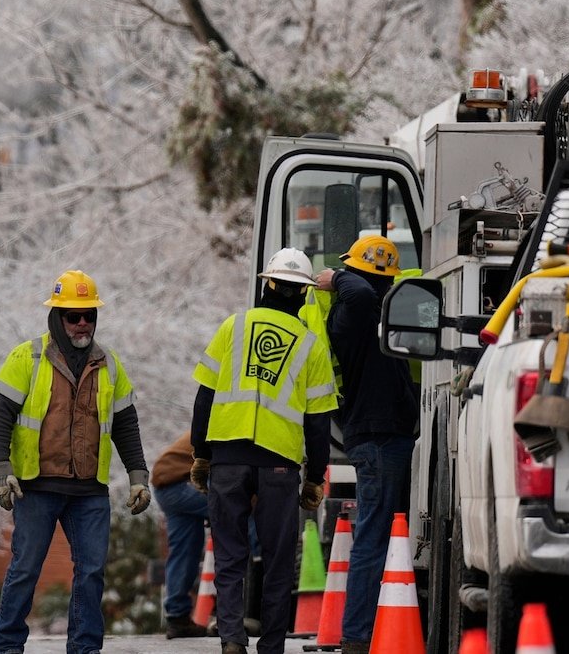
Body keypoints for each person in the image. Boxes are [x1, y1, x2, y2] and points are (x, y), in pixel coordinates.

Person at [0, 269, 151, 654]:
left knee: (92, 572)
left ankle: (84, 648)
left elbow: (126, 424)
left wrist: (139, 476)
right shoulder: (26, 357)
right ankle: (7, 646)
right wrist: (0, 471)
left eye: (89, 314)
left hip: (89, 490)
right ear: (55, 318)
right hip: (37, 486)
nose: (82, 323)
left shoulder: (109, 364)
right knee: (25, 570)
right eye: (72, 315)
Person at [190, 248, 339, 654]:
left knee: (229, 553)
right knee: (276, 559)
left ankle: (233, 638)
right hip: (278, 464)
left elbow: (204, 398)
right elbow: (318, 422)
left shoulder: (232, 327)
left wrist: (201, 454)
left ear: (266, 284)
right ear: (304, 295)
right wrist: (314, 477)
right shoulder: (312, 346)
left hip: (228, 459)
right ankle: (271, 645)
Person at [312, 235, 417, 654]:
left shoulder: (373, 312)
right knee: (374, 536)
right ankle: (357, 636)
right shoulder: (352, 310)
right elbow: (355, 291)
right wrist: (338, 277)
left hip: (380, 436)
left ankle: (365, 630)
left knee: (381, 533)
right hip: (377, 439)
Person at [152, 432, 211, 638]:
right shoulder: (226, 430)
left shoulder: (208, 424)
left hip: (166, 485)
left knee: (184, 551)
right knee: (235, 512)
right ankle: (237, 610)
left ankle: (178, 618)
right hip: (179, 483)